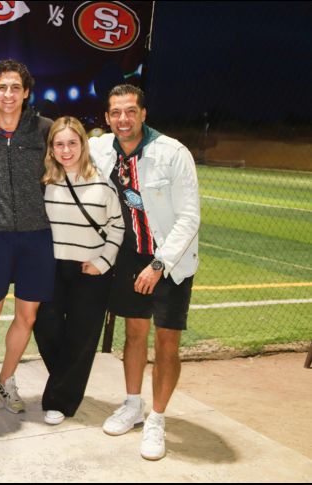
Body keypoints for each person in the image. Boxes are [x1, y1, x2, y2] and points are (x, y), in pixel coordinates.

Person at [89, 84, 200, 461]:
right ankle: (133, 405)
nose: (123, 119)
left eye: (130, 111)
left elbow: (189, 218)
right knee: (133, 333)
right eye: (116, 112)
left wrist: (159, 264)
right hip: (128, 256)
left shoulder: (173, 153)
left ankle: (157, 418)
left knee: (166, 341)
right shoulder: (101, 148)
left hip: (169, 258)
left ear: (143, 114)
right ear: (107, 118)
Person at [0, 59, 54, 418]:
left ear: (26, 92)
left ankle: (7, 378)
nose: (8, 94)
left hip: (36, 235)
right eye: (2, 87)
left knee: (28, 316)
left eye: (16, 87)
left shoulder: (43, 129)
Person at [33, 116, 124, 426]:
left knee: (81, 336)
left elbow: (117, 226)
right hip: (52, 267)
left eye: (72, 143)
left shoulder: (101, 182)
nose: (66, 150)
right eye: (59, 144)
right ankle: (66, 380)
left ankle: (59, 400)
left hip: (90, 271)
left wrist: (103, 262)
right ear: (51, 148)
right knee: (45, 328)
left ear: (83, 145)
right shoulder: (45, 181)